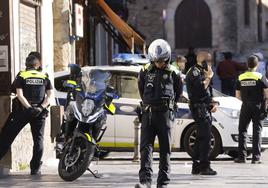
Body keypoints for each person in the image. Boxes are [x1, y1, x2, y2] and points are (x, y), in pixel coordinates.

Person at [135, 39, 183, 188]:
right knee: (145, 149)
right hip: (148, 114)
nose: (159, 64)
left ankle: (162, 183)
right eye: (156, 61)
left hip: (165, 115)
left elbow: (178, 91)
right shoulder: (144, 70)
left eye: (162, 61)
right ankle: (145, 182)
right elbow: (142, 90)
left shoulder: (173, 72)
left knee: (165, 150)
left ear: (167, 58)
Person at [0, 54, 53, 175]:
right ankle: (35, 168)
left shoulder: (22, 75)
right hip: (39, 113)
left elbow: (19, 94)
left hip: (22, 112)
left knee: (7, 135)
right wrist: (40, 108)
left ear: (26, 65)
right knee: (38, 140)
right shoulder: (44, 76)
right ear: (37, 65)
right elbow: (49, 95)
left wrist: (29, 108)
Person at [185, 51, 218, 175]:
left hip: (204, 108)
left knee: (200, 138)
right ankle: (204, 166)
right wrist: (209, 77)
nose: (211, 64)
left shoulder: (202, 72)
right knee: (205, 138)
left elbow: (206, 92)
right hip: (199, 109)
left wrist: (212, 103)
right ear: (203, 61)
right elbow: (200, 88)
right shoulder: (194, 72)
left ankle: (197, 165)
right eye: (209, 61)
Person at [234, 55, 268, 164]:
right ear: (257, 65)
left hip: (245, 105)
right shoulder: (260, 76)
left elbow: (237, 95)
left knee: (242, 130)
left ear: (247, 65)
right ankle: (256, 158)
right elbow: (267, 93)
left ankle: (241, 157)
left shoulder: (241, 77)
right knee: (257, 131)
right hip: (258, 105)